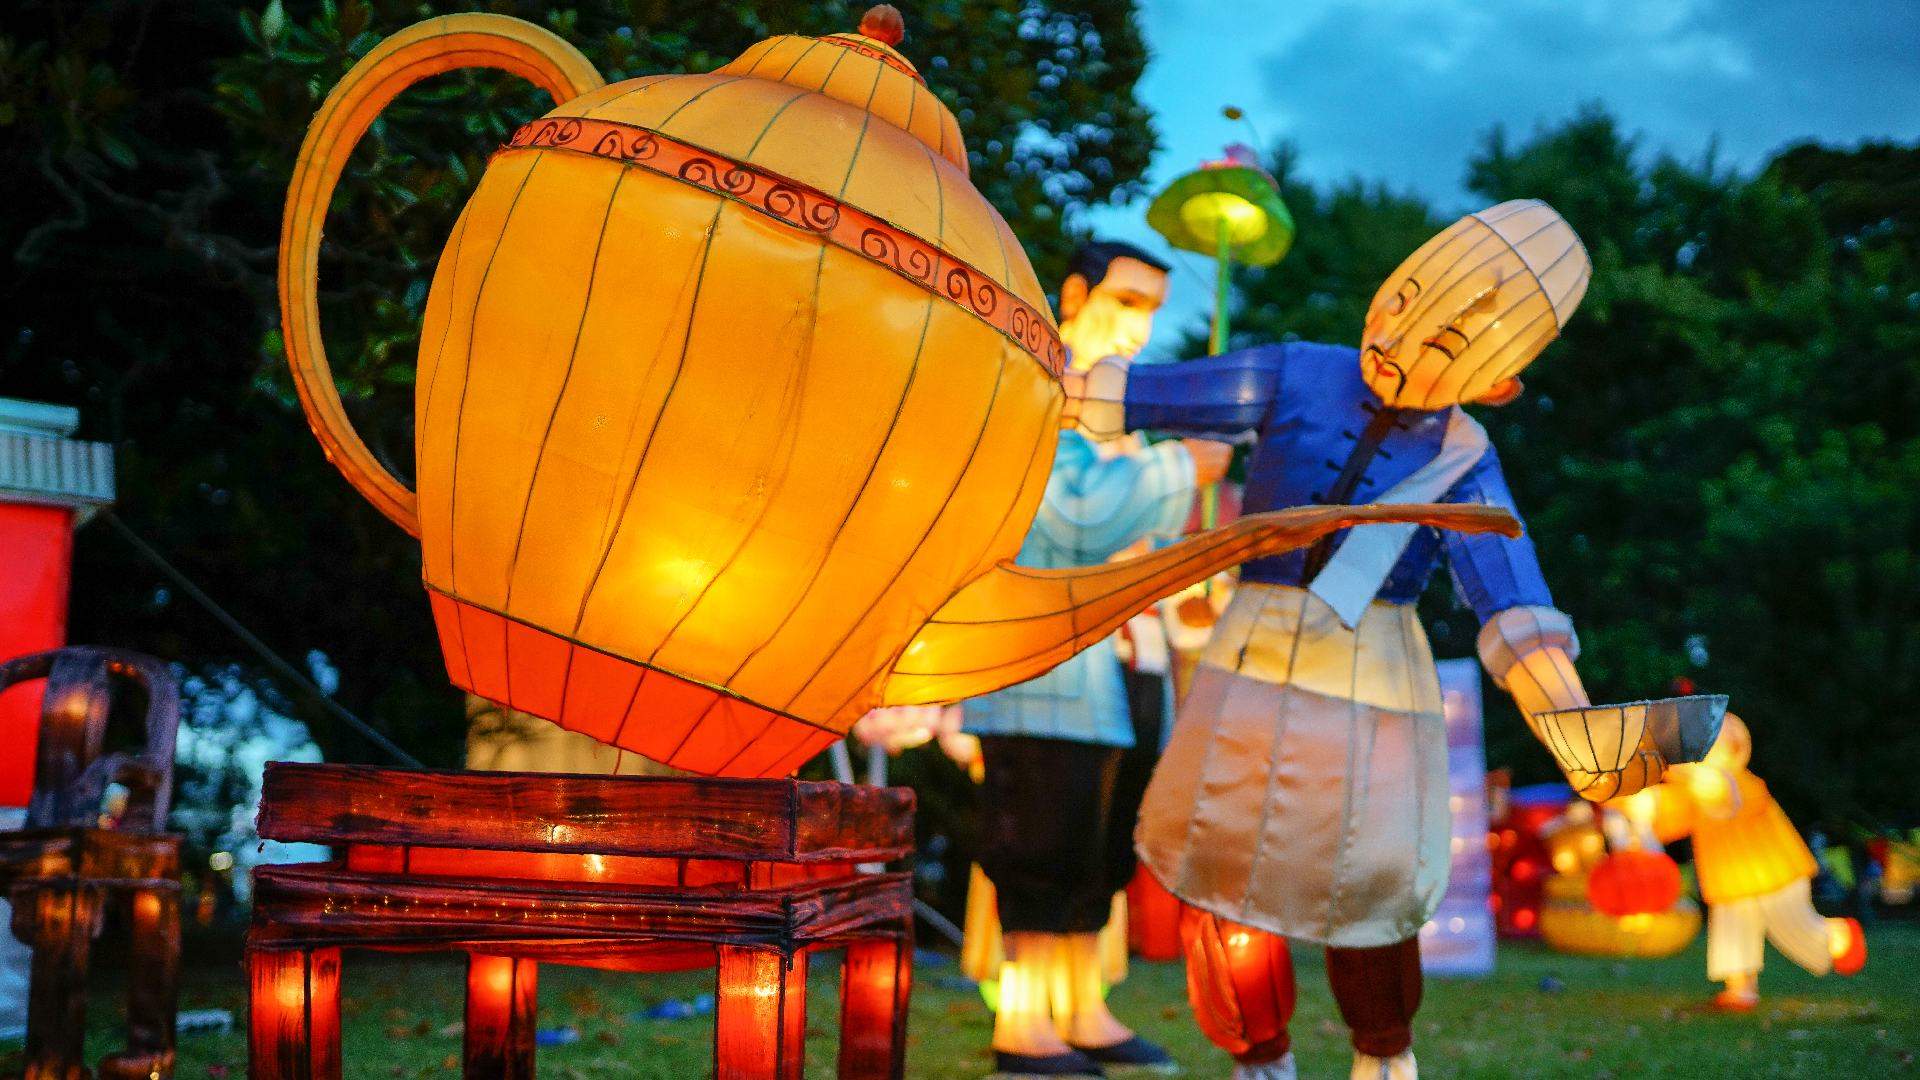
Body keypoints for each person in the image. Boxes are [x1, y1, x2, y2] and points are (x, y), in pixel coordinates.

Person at [1068, 201, 1656, 1080]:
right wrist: (1043, 366)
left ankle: (1383, 1055)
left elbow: (1512, 595)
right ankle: (1258, 1056)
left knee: (1371, 887)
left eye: (1452, 341)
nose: (1402, 339)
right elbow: (1146, 393)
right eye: (1405, 298)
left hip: (1375, 676)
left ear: (1499, 385)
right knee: (1227, 871)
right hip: (1249, 661)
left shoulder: (1467, 458)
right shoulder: (1293, 372)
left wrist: (1567, 714)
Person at [965, 239, 1230, 1078]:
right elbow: (1073, 513)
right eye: (1125, 300)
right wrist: (1179, 466)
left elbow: (1135, 534)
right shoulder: (1031, 383)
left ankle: (1080, 1004)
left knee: (1101, 843)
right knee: (1042, 838)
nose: (1138, 327)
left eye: (1153, 309)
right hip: (1045, 662)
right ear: (1074, 294)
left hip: (1125, 660)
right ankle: (1024, 1019)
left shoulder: (1123, 412)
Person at [1643, 714, 1866, 1010]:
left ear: (1735, 749)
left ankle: (1839, 935)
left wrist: (1673, 771)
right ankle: (1740, 991)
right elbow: (1667, 816)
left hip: (1775, 874)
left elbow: (1722, 796)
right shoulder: (1692, 793)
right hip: (1728, 880)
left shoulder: (1743, 784)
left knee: (1795, 929)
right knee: (1732, 933)